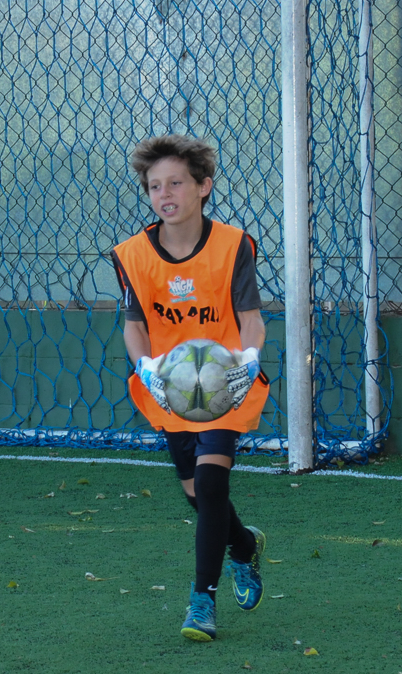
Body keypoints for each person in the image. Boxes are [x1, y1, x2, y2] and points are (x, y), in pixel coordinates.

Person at [110, 134, 271, 642]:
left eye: (175, 182)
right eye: (154, 186)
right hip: (170, 389)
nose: (164, 194)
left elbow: (251, 319)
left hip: (225, 385)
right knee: (197, 496)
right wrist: (147, 369)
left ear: (203, 187)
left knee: (212, 484)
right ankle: (243, 546)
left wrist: (247, 360)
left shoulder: (232, 245)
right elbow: (134, 325)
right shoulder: (132, 255)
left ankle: (202, 600)